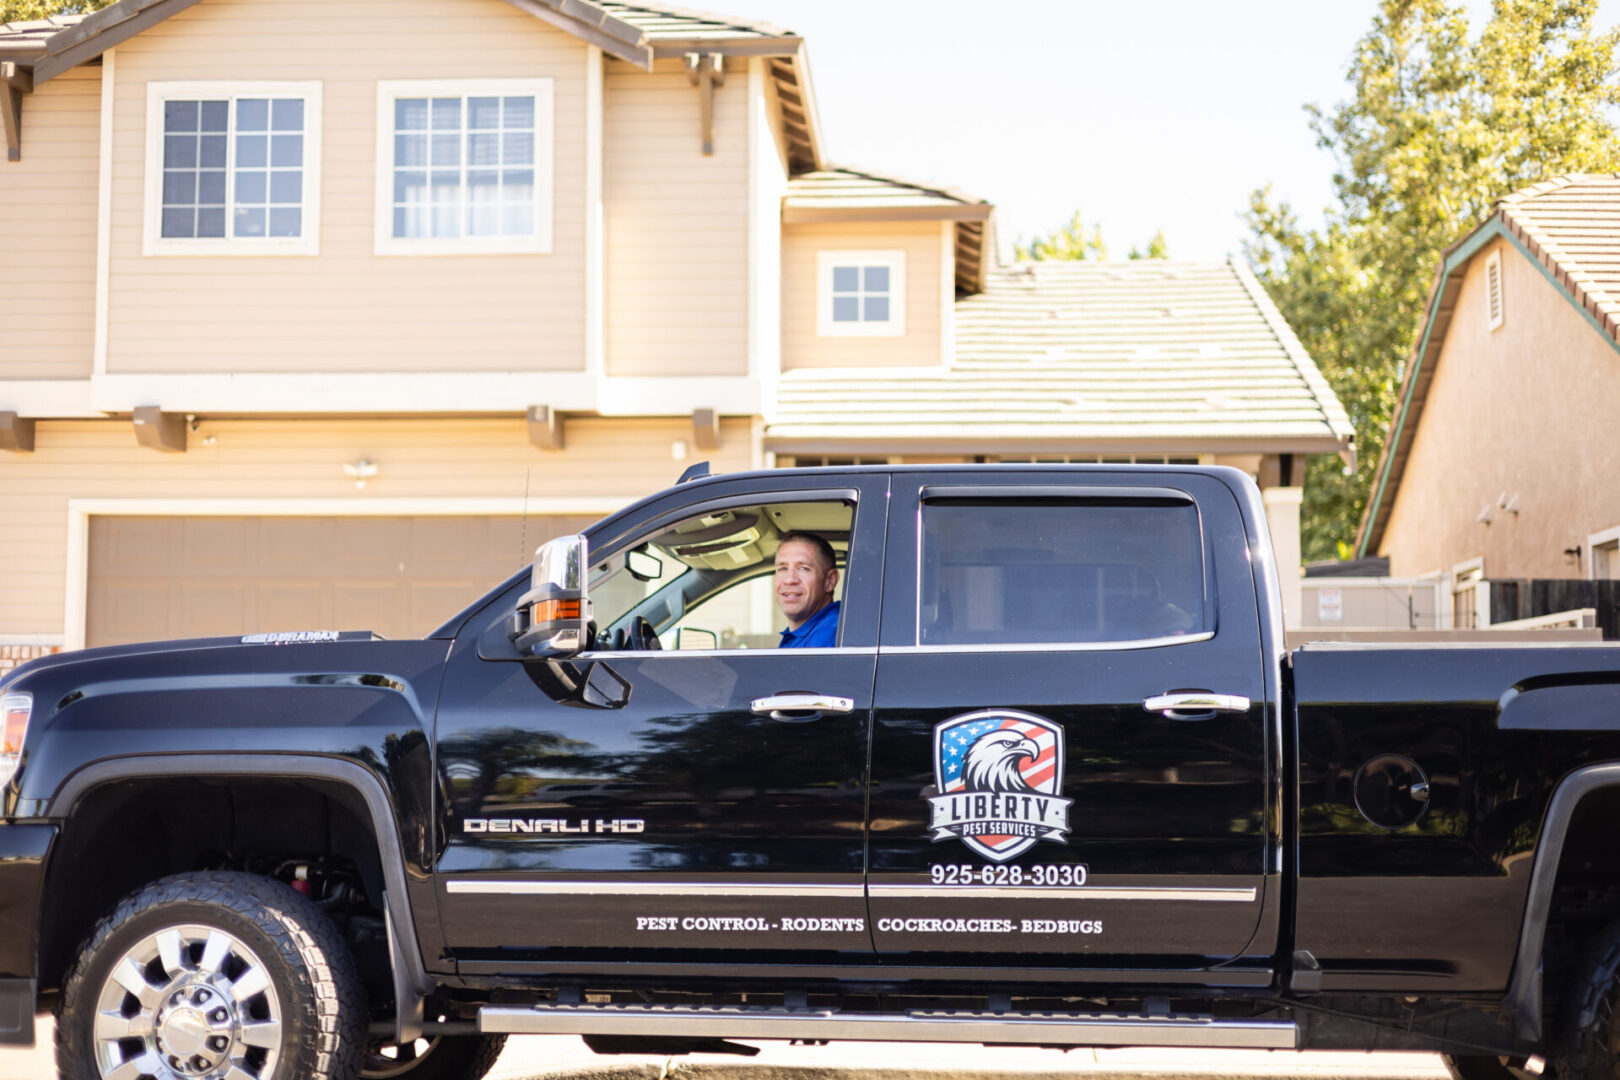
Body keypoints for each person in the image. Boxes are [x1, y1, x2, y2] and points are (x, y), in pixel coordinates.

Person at [775, 531, 840, 648]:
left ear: (830, 580)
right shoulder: (803, 634)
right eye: (783, 568)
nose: (789, 580)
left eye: (804, 568)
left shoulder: (830, 633)